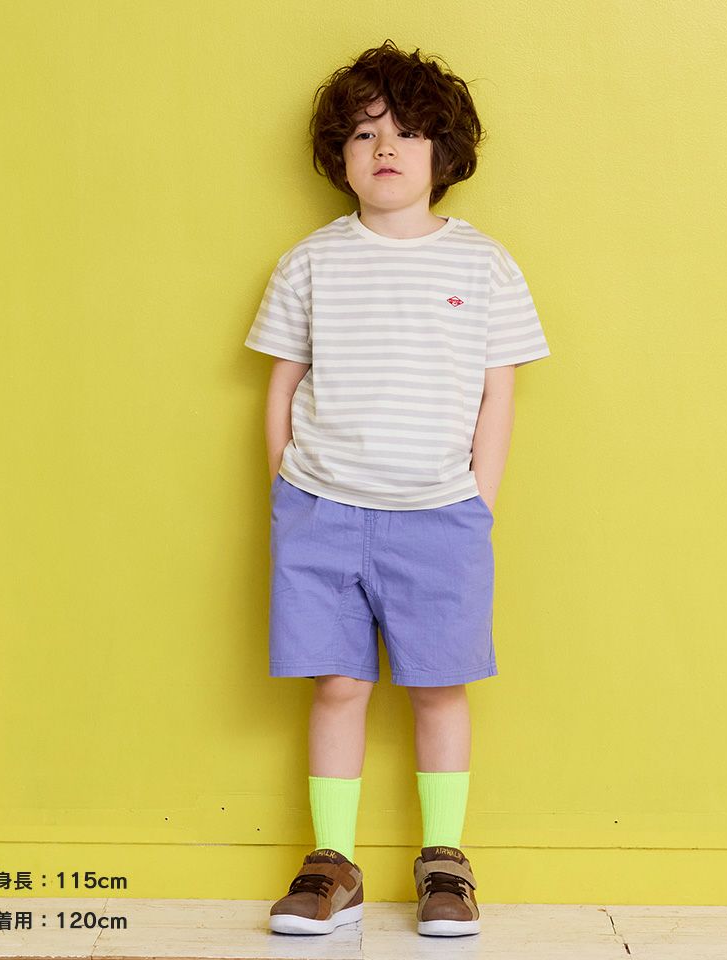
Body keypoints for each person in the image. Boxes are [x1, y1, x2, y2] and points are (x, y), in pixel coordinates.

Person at [244, 39, 550, 938]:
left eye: (409, 132)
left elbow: (500, 391)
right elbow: (281, 384)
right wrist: (289, 488)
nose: (385, 147)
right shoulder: (311, 261)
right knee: (337, 686)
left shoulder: (484, 264)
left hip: (440, 516)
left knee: (440, 688)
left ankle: (444, 862)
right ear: (338, 155)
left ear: (442, 153)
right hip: (322, 511)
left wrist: (478, 498)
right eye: (364, 133)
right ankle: (331, 863)